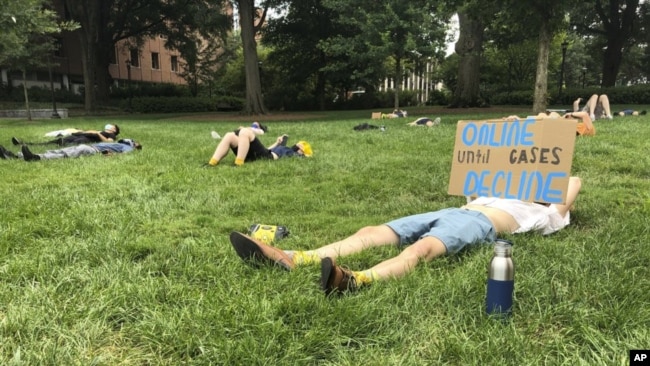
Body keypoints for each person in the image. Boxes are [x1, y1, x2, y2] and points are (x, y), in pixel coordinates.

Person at [229, 176, 582, 295]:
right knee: (371, 231)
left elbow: (573, 184)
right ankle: (296, 257)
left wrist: (548, 173)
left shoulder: (545, 213)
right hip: (458, 212)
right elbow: (474, 184)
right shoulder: (501, 188)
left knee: (423, 248)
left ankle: (355, 281)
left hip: (481, 224)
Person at [207, 127, 312, 167]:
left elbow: (304, 156)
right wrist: (277, 142)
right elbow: (268, 149)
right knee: (229, 135)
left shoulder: (290, 152)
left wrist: (302, 154)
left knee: (245, 132)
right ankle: (212, 162)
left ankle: (238, 163)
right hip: (263, 154)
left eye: (301, 146)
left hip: (267, 157)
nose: (298, 145)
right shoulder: (283, 148)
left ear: (301, 152)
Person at [8, 139, 141, 161]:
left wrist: (108, 154)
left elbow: (122, 155)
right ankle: (16, 156)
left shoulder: (127, 147)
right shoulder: (119, 143)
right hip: (88, 147)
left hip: (91, 150)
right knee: (60, 152)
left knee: (64, 155)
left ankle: (36, 158)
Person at [11, 124, 121, 147]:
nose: (110, 126)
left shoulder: (111, 134)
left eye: (112, 126)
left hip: (87, 139)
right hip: (81, 134)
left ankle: (62, 145)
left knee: (69, 144)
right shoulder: (102, 130)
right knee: (58, 140)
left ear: (114, 130)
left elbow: (109, 142)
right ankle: (24, 143)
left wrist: (97, 133)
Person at [506, 111, 595, 136]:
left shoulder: (587, 129)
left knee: (549, 115)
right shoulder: (578, 125)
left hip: (558, 127)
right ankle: (519, 120)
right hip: (557, 125)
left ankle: (520, 120)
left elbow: (585, 114)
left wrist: (570, 114)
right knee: (543, 114)